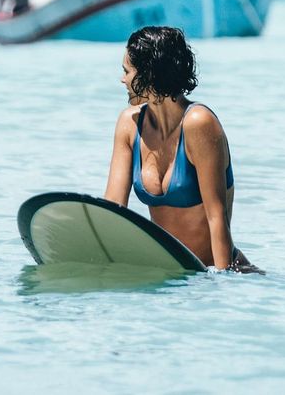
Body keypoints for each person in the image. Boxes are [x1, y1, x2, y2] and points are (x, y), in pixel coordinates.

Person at [104, 26, 261, 273]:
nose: (122, 80)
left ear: (149, 74)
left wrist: (224, 286)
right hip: (170, 273)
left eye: (127, 71)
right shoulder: (129, 125)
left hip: (216, 270)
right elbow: (113, 211)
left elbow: (216, 218)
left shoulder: (199, 123)